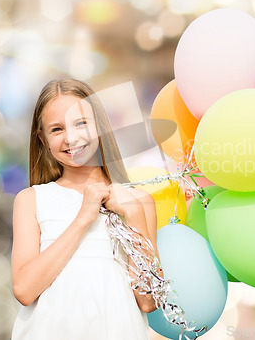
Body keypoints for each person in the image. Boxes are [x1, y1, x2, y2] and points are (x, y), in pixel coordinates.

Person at [11, 78, 158, 339]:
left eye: (81, 123)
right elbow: (24, 290)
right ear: (42, 138)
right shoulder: (32, 199)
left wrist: (134, 214)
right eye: (57, 129)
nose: (71, 138)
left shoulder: (138, 201)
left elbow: (148, 301)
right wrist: (82, 219)